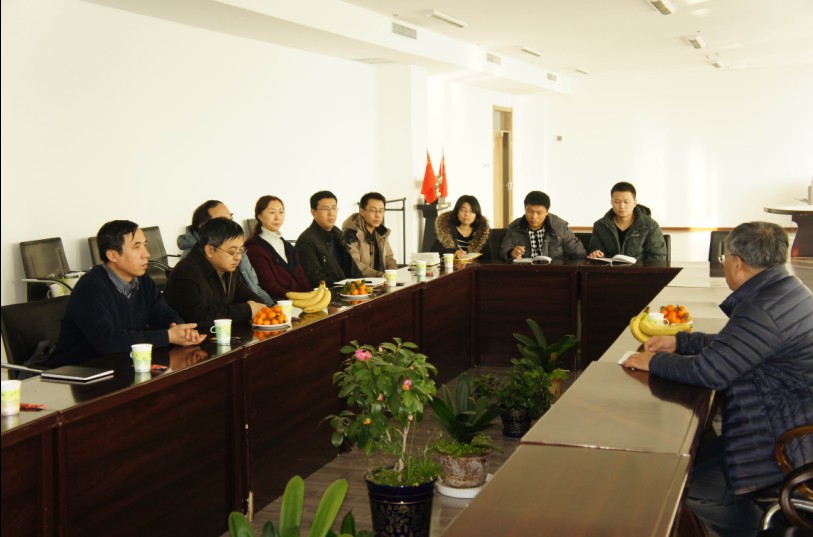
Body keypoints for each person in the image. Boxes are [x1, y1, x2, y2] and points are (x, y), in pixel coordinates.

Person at [622, 221, 813, 537]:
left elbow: (709, 372)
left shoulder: (763, 308)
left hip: (786, 442)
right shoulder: (788, 291)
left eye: (724, 258)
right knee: (693, 456)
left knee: (688, 488)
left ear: (737, 263)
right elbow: (740, 343)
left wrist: (654, 362)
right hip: (790, 419)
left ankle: (761, 529)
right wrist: (681, 342)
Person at [46, 220, 206, 368]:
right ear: (113, 255)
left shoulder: (143, 281)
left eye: (145, 245)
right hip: (78, 371)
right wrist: (168, 336)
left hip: (121, 364)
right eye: (137, 247)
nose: (146, 254)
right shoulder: (90, 288)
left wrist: (180, 329)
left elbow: (163, 314)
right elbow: (106, 341)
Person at [164, 217, 266, 330]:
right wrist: (247, 310)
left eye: (241, 250)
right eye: (232, 252)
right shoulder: (185, 273)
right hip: (193, 337)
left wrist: (258, 307)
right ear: (210, 250)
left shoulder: (227, 268)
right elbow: (199, 317)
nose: (238, 257)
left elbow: (250, 299)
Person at [177, 200, 274, 305]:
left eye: (230, 219)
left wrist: (269, 308)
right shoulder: (191, 265)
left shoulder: (234, 253)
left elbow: (253, 289)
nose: (237, 257)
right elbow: (210, 310)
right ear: (205, 226)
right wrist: (249, 309)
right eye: (222, 220)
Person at [245, 195, 311, 300]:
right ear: (259, 216)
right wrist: (299, 297)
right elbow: (269, 286)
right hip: (278, 303)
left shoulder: (288, 246)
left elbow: (302, 277)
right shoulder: (254, 248)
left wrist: (309, 296)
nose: (277, 217)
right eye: (272, 212)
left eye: (281, 212)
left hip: (299, 301)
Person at [587, 181, 666, 261]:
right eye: (617, 202)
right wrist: (597, 254)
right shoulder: (600, 226)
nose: (622, 206)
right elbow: (596, 251)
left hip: (639, 269)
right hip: (610, 268)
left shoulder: (650, 225)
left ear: (635, 203)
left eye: (626, 202)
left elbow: (658, 257)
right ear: (611, 202)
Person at [296, 190, 361, 287]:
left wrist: (362, 285)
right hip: (328, 293)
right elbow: (315, 279)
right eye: (325, 209)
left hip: (349, 290)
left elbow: (352, 268)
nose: (331, 213)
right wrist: (346, 287)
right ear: (313, 212)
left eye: (334, 208)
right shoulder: (306, 241)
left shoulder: (338, 234)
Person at [499, 191, 585, 261]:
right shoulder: (515, 227)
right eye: (530, 211)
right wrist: (511, 253)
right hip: (525, 271)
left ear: (547, 212)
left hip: (554, 271)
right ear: (525, 209)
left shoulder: (560, 227)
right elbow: (503, 250)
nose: (534, 217)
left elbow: (579, 254)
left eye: (539, 213)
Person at [341, 192, 398, 277]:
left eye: (381, 211)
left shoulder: (380, 233)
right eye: (373, 210)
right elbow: (354, 264)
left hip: (380, 281)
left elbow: (389, 258)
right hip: (360, 283)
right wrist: (380, 275)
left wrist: (393, 275)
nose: (378, 215)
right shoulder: (350, 234)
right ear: (362, 211)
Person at [432, 195, 492, 260]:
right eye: (463, 210)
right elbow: (434, 252)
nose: (467, 214)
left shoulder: (482, 232)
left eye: (472, 211)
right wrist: (455, 253)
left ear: (476, 214)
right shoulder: (446, 230)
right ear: (457, 211)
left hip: (475, 266)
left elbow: (488, 258)